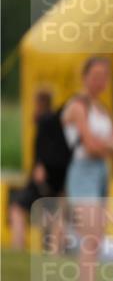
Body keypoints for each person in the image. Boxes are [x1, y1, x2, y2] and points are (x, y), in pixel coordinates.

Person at [63, 56, 113, 281]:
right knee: (90, 239)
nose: (100, 80)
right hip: (83, 172)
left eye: (105, 75)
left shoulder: (102, 110)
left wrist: (106, 145)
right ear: (85, 75)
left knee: (97, 238)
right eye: (96, 74)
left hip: (100, 173)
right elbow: (90, 146)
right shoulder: (78, 106)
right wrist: (107, 145)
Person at [8, 91, 57, 250]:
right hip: (50, 178)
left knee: (18, 207)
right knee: (48, 214)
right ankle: (49, 250)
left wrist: (41, 166)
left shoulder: (44, 122)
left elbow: (45, 151)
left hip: (41, 177)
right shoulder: (52, 122)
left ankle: (18, 245)